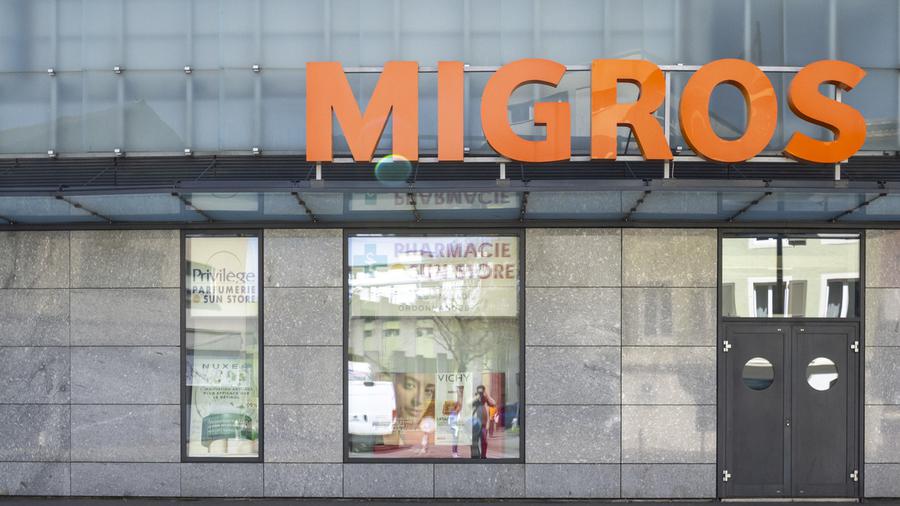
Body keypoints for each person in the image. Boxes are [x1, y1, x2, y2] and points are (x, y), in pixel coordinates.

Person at [386, 372, 436, 454]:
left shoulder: (429, 434)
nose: (419, 401)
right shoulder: (381, 434)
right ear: (393, 386)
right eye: (409, 385)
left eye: (428, 390)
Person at [471, 384, 496, 459]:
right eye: (479, 392)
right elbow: (469, 404)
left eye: (482, 392)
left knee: (484, 441)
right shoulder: (475, 399)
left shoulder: (486, 399)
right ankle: (475, 456)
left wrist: (487, 395)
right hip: (475, 424)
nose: (480, 394)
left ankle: (483, 456)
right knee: (474, 441)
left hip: (484, 424)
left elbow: (494, 403)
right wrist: (477, 397)